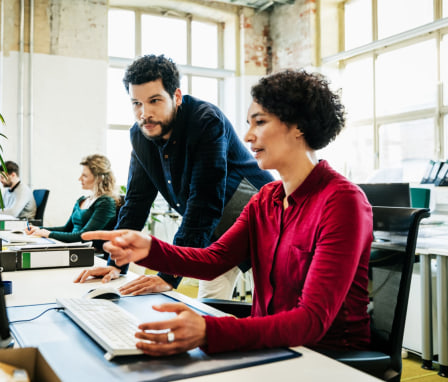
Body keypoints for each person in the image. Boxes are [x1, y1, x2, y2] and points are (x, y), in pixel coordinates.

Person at [81, 69, 373, 356]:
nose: (247, 136)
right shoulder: (267, 199)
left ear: (298, 126)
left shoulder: (342, 202)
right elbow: (214, 260)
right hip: (273, 348)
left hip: (328, 359)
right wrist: (149, 249)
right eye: (248, 123)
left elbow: (311, 321)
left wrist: (210, 331)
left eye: (259, 123)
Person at [75, 54, 274, 299]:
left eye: (154, 100)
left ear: (176, 97)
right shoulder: (141, 136)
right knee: (210, 308)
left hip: (261, 223)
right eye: (136, 103)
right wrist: (116, 263)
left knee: (277, 307)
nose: (144, 113)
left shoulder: (205, 120)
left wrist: (168, 275)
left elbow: (205, 201)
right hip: (212, 235)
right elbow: (136, 201)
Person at [26, 154, 118, 244]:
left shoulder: (106, 203)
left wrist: (48, 234)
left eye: (85, 176)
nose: (79, 179)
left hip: (88, 251)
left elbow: (84, 236)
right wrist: (39, 229)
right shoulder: (82, 200)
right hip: (74, 246)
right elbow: (67, 229)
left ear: (99, 179)